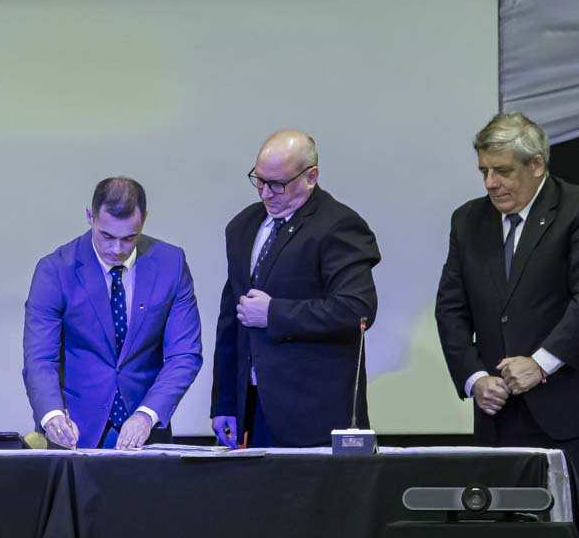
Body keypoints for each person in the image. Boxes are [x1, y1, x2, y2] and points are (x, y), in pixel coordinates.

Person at [435, 112, 579, 538]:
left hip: (572, 416)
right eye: (484, 171)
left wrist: (540, 364)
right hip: (498, 416)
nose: (491, 183)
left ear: (537, 165)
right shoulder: (468, 220)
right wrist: (475, 378)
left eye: (502, 171)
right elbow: (451, 309)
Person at [211, 130, 380, 448]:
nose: (266, 193)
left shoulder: (339, 225)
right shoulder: (242, 226)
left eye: (277, 184)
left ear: (311, 176)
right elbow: (231, 321)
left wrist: (273, 313)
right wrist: (225, 403)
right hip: (255, 407)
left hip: (316, 413)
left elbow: (357, 309)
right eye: (259, 180)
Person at [23, 176, 202, 449]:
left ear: (144, 219)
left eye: (129, 238)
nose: (117, 249)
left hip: (146, 433)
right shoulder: (55, 270)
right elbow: (40, 357)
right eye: (106, 236)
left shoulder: (171, 264)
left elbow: (184, 354)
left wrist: (147, 414)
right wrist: (52, 416)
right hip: (74, 432)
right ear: (90, 217)